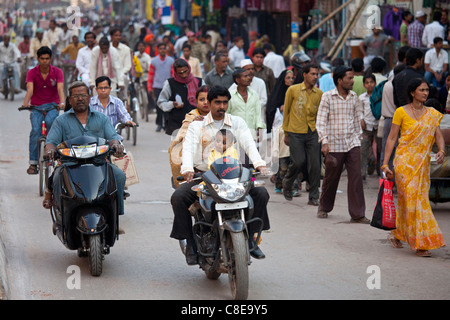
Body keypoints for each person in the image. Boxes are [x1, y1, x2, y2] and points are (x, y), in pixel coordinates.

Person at [171, 85, 270, 264]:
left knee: (261, 193)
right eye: (217, 102)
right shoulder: (197, 125)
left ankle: (252, 242)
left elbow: (248, 143)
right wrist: (187, 169)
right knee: (178, 197)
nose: (221, 106)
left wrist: (260, 164)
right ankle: (191, 244)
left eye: (225, 102)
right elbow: (188, 148)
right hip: (204, 175)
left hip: (233, 174)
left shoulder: (237, 122)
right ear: (209, 103)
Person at [43, 82, 126, 219]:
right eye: (76, 96)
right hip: (69, 165)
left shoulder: (102, 118)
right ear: (70, 99)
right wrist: (50, 150)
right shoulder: (61, 120)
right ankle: (60, 214)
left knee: (119, 175)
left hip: (99, 163)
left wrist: (116, 145)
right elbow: (51, 142)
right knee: (56, 178)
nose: (80, 99)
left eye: (83, 95)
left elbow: (112, 138)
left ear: (89, 97)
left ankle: (115, 214)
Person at [382, 78, 446, 257]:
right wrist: (385, 163)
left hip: (422, 164)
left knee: (409, 201)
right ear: (412, 92)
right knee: (414, 200)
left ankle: (397, 233)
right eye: (421, 90)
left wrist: (441, 150)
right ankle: (421, 242)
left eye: (427, 90)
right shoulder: (401, 112)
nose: (425, 93)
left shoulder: (432, 113)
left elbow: (438, 134)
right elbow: (392, 139)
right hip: (404, 163)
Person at [316, 66, 369, 223]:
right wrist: (324, 142)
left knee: (356, 178)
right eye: (350, 78)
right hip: (333, 144)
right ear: (339, 80)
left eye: (353, 78)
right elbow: (320, 121)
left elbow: (357, 117)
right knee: (331, 178)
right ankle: (324, 207)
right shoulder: (327, 97)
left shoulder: (354, 97)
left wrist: (358, 137)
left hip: (352, 143)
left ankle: (358, 214)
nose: (353, 81)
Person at [282, 64, 322, 205]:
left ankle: (314, 196)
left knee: (315, 165)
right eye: (312, 74)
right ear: (304, 74)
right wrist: (286, 133)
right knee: (298, 161)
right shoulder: (293, 90)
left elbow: (320, 115)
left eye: (317, 74)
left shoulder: (319, 93)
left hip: (313, 131)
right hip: (295, 131)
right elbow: (286, 112)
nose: (315, 77)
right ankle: (287, 182)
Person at [22, 46, 65, 175]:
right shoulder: (32, 72)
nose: (45, 61)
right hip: (36, 106)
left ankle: (57, 157)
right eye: (42, 58)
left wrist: (62, 103)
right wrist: (26, 103)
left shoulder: (57, 72)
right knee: (35, 130)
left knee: (52, 124)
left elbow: (60, 89)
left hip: (53, 106)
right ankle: (33, 163)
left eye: (47, 58)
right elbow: (30, 89)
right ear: (38, 59)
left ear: (51, 59)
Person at [169, 85, 211, 189]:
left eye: (209, 99)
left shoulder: (220, 116)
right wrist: (193, 125)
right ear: (196, 102)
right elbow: (180, 136)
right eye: (202, 99)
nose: (205, 102)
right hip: (195, 158)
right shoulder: (191, 117)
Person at [157, 58, 203, 135]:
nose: (184, 75)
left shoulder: (199, 82)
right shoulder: (169, 83)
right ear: (175, 72)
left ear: (189, 68)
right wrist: (172, 104)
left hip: (196, 123)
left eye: (185, 71)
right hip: (177, 124)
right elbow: (161, 102)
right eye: (180, 73)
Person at [227, 68, 265, 141]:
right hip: (235, 134)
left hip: (251, 134)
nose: (248, 78)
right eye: (245, 76)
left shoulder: (254, 94)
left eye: (248, 76)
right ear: (237, 80)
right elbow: (227, 113)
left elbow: (258, 114)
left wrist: (259, 129)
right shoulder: (230, 95)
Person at [148, 42, 175, 132]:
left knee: (167, 105)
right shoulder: (154, 61)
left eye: (164, 48)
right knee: (158, 105)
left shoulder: (171, 60)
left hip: (168, 86)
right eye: (161, 48)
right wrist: (149, 87)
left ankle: (167, 124)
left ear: (166, 49)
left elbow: (173, 74)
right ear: (158, 50)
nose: (162, 50)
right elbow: (151, 75)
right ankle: (159, 124)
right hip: (157, 86)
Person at [359, 73, 381, 180]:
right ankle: (362, 173)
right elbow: (359, 110)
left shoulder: (379, 96)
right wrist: (361, 119)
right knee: (363, 150)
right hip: (366, 126)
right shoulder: (362, 97)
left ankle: (380, 171)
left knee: (380, 150)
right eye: (367, 83)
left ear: (375, 83)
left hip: (377, 125)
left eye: (371, 82)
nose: (369, 85)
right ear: (364, 85)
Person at [266, 69, 295, 133]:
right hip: (278, 125)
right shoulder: (277, 93)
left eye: (292, 78)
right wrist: (279, 108)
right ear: (283, 79)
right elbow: (270, 109)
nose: (291, 80)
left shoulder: (294, 92)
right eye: (288, 78)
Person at [109, 28, 132, 101]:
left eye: (119, 35)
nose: (118, 37)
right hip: (109, 74)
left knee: (124, 79)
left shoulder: (126, 49)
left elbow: (128, 65)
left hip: (122, 74)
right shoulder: (107, 48)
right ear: (111, 36)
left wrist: (120, 74)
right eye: (116, 35)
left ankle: (124, 100)